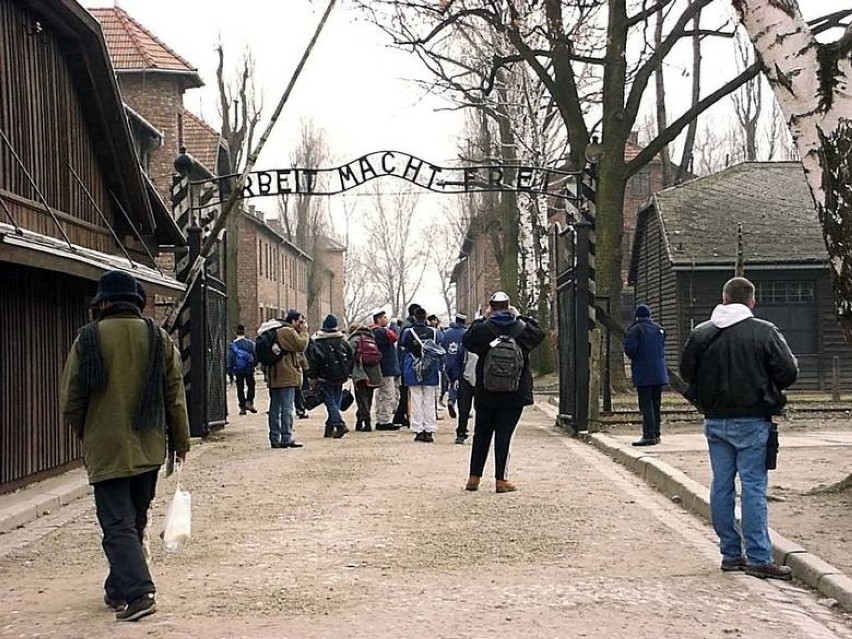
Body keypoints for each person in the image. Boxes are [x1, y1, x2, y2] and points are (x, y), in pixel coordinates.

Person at [60, 270, 190, 622]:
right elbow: (174, 396)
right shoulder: (158, 337)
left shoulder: (87, 339)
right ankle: (117, 589)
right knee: (133, 519)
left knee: (117, 524)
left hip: (107, 448)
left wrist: (87, 431)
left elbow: (72, 398)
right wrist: (180, 441)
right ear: (137, 303)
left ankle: (138, 592)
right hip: (149, 446)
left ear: (102, 303)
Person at [680, 276, 798, 580]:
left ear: (723, 298)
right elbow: (788, 372)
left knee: (721, 485)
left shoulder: (701, 333)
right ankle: (759, 556)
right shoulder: (764, 332)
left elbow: (686, 371)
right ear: (752, 301)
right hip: (753, 418)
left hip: (715, 419)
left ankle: (730, 553)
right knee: (753, 488)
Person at [462, 291, 544, 493]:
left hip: (486, 391)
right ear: (509, 306)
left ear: (490, 306)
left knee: (481, 434)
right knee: (504, 434)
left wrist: (483, 317)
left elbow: (467, 340)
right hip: (514, 392)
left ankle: (474, 478)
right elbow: (539, 332)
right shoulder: (523, 329)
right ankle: (501, 480)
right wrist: (519, 315)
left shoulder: (482, 329)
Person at [623, 304, 668, 446]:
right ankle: (656, 433)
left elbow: (630, 349)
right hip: (659, 372)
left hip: (644, 372)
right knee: (656, 403)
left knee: (646, 404)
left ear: (637, 316)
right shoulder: (659, 329)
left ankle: (648, 435)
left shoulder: (635, 330)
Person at [264, 309, 309, 449]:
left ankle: (275, 437)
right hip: (286, 374)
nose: (302, 325)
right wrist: (305, 332)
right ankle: (286, 437)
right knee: (286, 408)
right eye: (300, 322)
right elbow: (301, 345)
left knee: (275, 408)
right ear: (293, 321)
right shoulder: (287, 331)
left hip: (275, 375)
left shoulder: (277, 330)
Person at [307, 314, 354, 439]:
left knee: (329, 401)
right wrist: (348, 372)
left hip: (325, 376)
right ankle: (330, 427)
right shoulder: (343, 341)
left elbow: (314, 360)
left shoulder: (318, 341)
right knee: (335, 400)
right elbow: (351, 357)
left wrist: (313, 376)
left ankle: (339, 424)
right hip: (340, 375)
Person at [400, 307, 443, 442]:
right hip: (430, 368)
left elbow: (403, 344)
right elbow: (440, 342)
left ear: (414, 317)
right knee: (429, 400)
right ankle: (430, 429)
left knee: (416, 400)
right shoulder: (434, 332)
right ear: (425, 318)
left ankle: (418, 429)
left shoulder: (409, 332)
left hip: (413, 368)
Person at [370, 309, 401, 431]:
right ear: (378, 319)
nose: (386, 320)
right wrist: (394, 325)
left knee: (381, 395)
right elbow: (394, 336)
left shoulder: (373, 331)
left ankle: (381, 418)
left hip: (380, 367)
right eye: (384, 317)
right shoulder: (380, 332)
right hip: (386, 368)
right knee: (387, 395)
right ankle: (384, 421)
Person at [349, 323, 383, 431]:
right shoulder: (371, 337)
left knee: (360, 398)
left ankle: (366, 421)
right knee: (368, 398)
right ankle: (360, 421)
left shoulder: (355, 339)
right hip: (373, 372)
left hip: (360, 371)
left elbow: (350, 354)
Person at [393, 303, 421, 427]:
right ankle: (401, 415)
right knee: (406, 391)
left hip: (404, 361)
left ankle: (401, 414)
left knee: (405, 391)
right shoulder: (409, 328)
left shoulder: (405, 325)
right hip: (406, 361)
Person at [441, 314, 467, 420]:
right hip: (460, 363)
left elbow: (442, 346)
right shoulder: (465, 333)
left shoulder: (446, 333)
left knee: (452, 383)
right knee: (460, 384)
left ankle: (451, 400)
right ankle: (456, 403)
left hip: (448, 362)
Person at [228, 324, 257, 416]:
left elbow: (230, 358)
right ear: (244, 332)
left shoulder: (233, 345)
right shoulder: (250, 344)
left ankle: (242, 407)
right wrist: (254, 364)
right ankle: (249, 401)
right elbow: (255, 355)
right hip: (249, 369)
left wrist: (230, 370)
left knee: (240, 388)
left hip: (238, 370)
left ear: (236, 332)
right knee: (251, 385)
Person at [454, 343, 477, 445]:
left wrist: (454, 377)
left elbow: (456, 361)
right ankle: (479, 434)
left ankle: (461, 433)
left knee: (464, 408)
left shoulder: (466, 344)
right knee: (481, 409)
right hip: (481, 380)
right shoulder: (490, 342)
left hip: (465, 378)